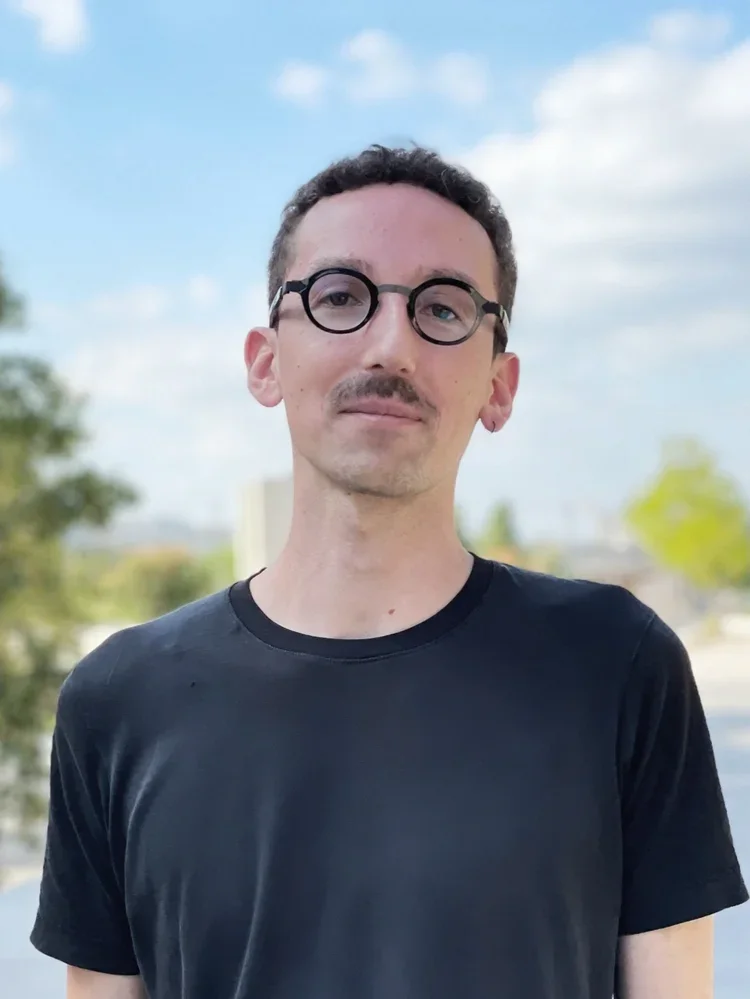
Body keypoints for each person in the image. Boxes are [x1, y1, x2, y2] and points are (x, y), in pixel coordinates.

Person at [31, 144, 747, 999]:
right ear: (265, 360)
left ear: (500, 385)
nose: (391, 344)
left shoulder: (618, 663)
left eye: (443, 307)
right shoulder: (118, 699)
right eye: (340, 296)